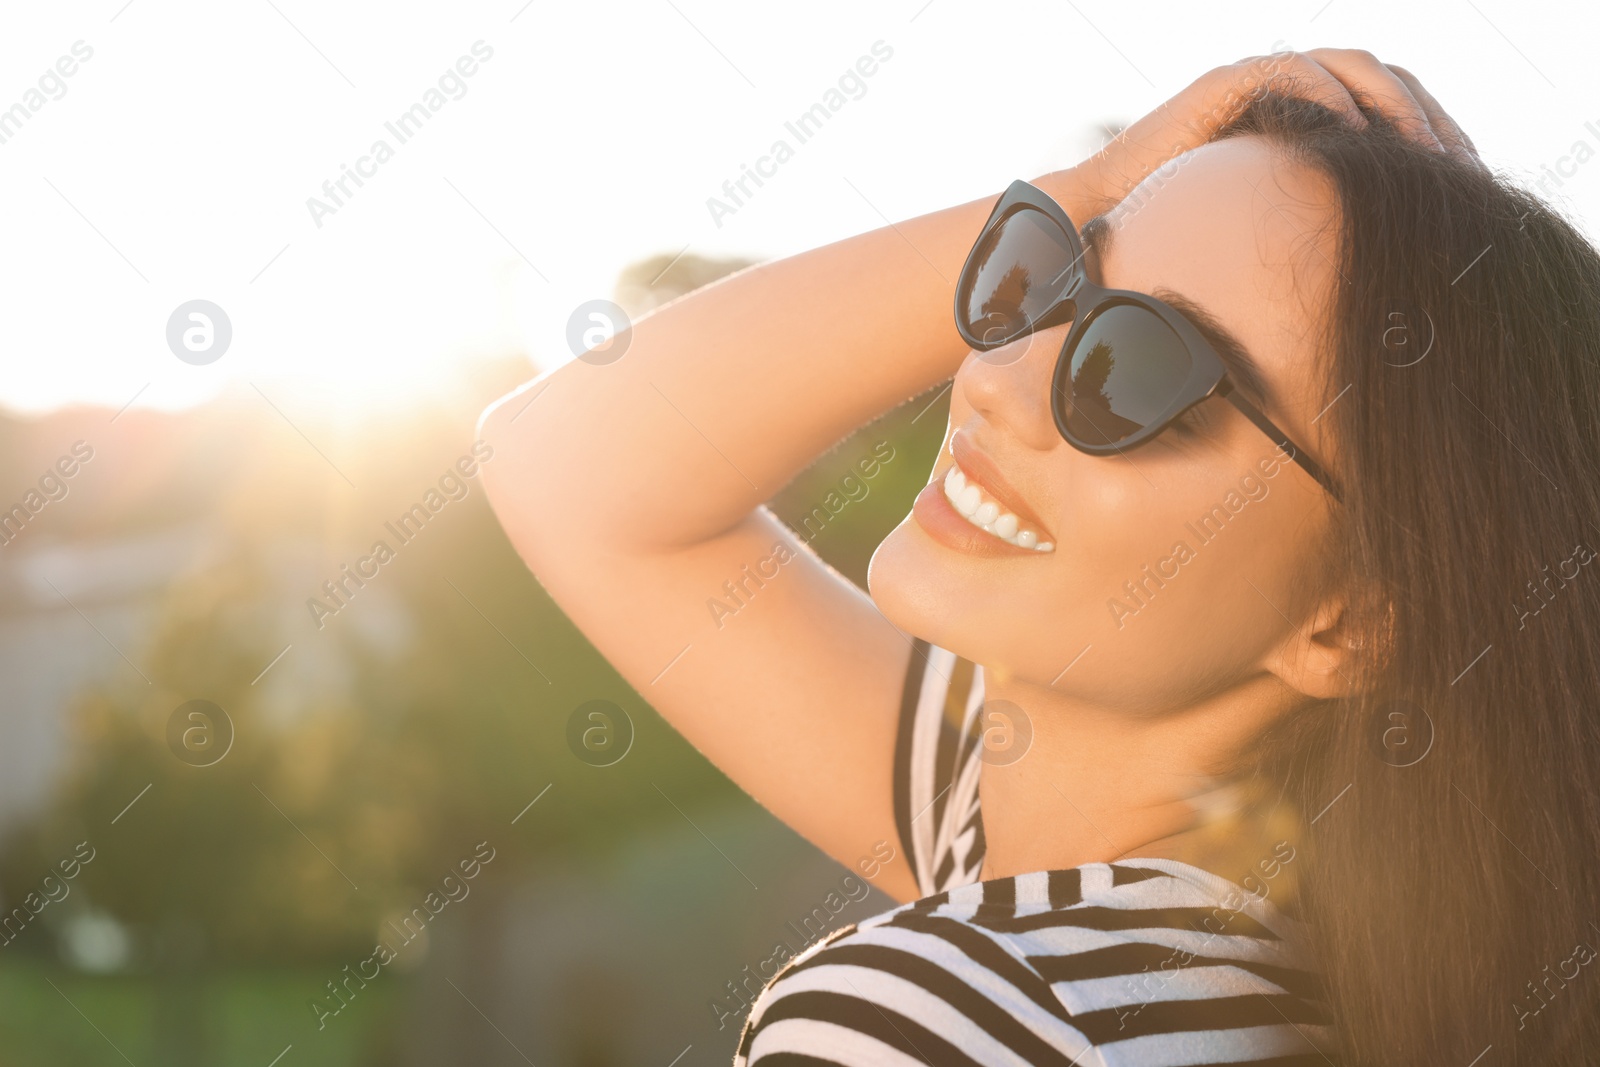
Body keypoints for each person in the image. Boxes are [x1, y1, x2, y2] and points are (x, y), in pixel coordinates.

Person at [479, 48, 1600, 1065]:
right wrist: (1105, 179)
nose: (994, 377)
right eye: (1043, 274)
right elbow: (561, 469)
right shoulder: (1214, 960)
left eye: (1139, 367)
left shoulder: (942, 1011)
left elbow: (563, 471)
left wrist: (1104, 189)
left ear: (1353, 620)